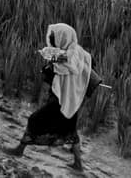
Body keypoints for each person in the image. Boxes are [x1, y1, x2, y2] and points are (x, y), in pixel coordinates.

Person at [7, 23, 95, 172]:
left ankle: (20, 150)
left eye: (55, 38)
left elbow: (58, 68)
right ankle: (78, 164)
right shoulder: (80, 53)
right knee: (71, 130)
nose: (53, 40)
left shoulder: (65, 58)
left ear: (63, 38)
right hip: (74, 100)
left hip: (61, 100)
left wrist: (49, 61)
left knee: (34, 119)